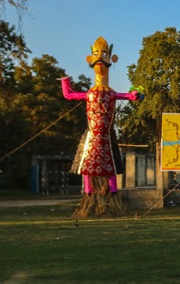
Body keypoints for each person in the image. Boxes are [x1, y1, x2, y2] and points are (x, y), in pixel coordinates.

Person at [60, 37, 142, 217]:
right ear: (90, 58)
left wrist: (135, 94)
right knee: (88, 163)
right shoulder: (90, 93)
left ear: (112, 59)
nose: (100, 58)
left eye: (104, 54)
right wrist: (65, 81)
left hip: (106, 135)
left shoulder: (111, 93)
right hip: (92, 134)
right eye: (96, 54)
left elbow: (129, 96)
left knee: (111, 162)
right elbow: (68, 95)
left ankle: (111, 191)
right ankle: (89, 192)